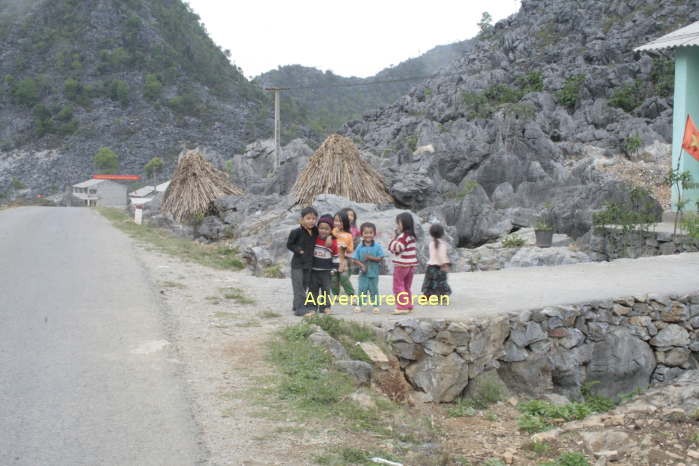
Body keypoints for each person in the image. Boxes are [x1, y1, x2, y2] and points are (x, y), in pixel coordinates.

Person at [286, 207, 318, 316]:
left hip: (309, 264)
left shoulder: (316, 232)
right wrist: (298, 250)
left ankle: (296, 305)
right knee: (298, 286)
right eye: (308, 218)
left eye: (314, 218)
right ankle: (300, 310)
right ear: (302, 219)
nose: (311, 221)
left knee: (304, 285)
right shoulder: (296, 232)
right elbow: (289, 244)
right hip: (297, 264)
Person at [308, 214, 338, 316]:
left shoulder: (333, 243)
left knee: (326, 290)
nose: (323, 231)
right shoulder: (314, 239)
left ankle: (325, 307)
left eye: (326, 229)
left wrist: (334, 269)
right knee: (312, 290)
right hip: (314, 271)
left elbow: (336, 257)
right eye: (321, 228)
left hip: (326, 271)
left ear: (331, 230)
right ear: (318, 228)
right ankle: (311, 307)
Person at [388, 212, 418, 315]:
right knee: (406, 286)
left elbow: (397, 249)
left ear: (404, 223)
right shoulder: (412, 236)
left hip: (402, 265)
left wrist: (393, 240)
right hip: (411, 265)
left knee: (397, 286)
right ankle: (408, 304)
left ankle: (402, 306)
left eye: (398, 223)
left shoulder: (404, 236)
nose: (396, 226)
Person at [351, 222, 384, 313]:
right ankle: (360, 305)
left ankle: (375, 306)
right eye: (366, 233)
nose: (368, 235)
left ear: (374, 234)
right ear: (362, 234)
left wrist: (371, 258)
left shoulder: (377, 246)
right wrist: (361, 265)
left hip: (374, 272)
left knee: (374, 289)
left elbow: (380, 258)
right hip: (363, 273)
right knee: (362, 289)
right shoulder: (360, 247)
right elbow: (354, 259)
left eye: (370, 233)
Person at [421, 223, 452, 300]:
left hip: (430, 267)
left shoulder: (431, 243)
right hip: (439, 267)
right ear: (442, 233)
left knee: (430, 282)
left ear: (431, 234)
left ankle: (426, 296)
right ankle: (441, 297)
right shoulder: (443, 244)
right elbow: (442, 255)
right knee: (440, 283)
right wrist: (445, 264)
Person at [331, 210, 355, 296]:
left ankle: (351, 294)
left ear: (345, 222)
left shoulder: (348, 235)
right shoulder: (332, 231)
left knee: (344, 277)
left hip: (343, 260)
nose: (338, 223)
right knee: (333, 278)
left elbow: (351, 249)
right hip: (332, 259)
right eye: (336, 220)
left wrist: (345, 246)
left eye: (340, 221)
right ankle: (335, 294)